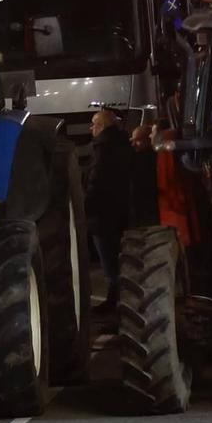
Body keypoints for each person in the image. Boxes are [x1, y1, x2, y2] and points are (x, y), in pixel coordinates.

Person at [86, 107, 136, 308]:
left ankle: (115, 299)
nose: (91, 128)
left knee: (109, 260)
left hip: (103, 214)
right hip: (122, 211)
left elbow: (95, 182)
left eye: (94, 124)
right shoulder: (124, 144)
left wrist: (87, 206)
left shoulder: (102, 148)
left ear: (102, 126)